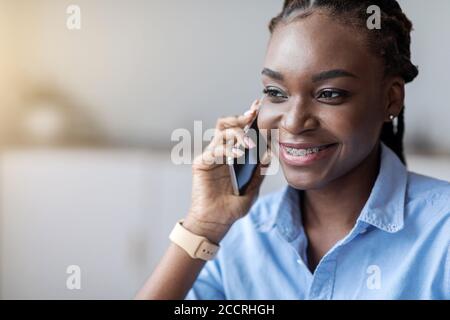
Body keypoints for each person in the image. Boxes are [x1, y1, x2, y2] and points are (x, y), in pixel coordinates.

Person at [136, 0, 450, 299]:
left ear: (391, 99)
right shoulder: (239, 235)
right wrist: (203, 225)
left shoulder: (442, 234)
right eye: (275, 92)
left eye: (329, 93)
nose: (294, 122)